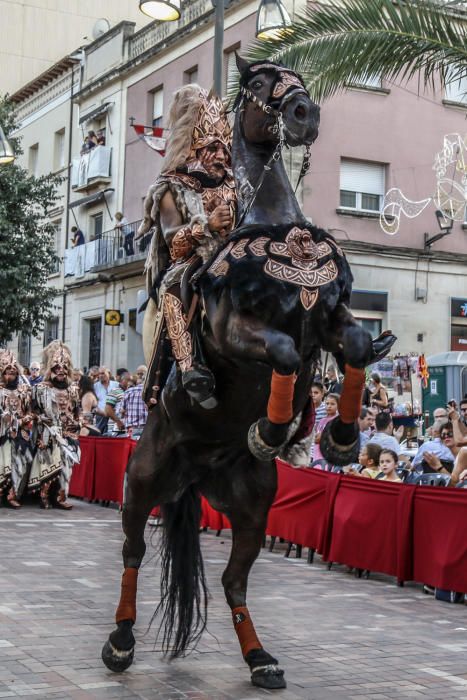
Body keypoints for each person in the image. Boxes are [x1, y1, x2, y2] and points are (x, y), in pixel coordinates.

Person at [138, 84, 236, 409]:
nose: (222, 154)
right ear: (195, 147)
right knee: (175, 282)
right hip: (191, 259)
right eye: (213, 147)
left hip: (235, 254)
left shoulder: (237, 186)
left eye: (225, 147)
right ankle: (189, 365)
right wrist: (206, 226)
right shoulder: (171, 187)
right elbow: (172, 240)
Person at [29, 341, 81, 509]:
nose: (61, 371)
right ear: (50, 370)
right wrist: (41, 420)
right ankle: (44, 496)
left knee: (67, 468)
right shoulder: (40, 388)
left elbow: (76, 412)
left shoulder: (73, 389)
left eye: (64, 368)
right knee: (48, 464)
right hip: (47, 433)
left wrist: (77, 423)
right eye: (56, 368)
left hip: (67, 435)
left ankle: (60, 497)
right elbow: (32, 411)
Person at [0, 350, 34, 508]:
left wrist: (23, 421)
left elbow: (31, 412)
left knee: (21, 464)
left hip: (21, 434)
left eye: (14, 371)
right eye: (8, 371)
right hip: (3, 434)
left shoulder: (24, 391)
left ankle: (13, 494)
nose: (11, 373)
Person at [313, 393, 339, 463]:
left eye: (332, 404)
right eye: (327, 404)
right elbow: (316, 436)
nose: (329, 406)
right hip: (317, 453)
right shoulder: (322, 421)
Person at [94, 367, 118, 435]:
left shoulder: (116, 385)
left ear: (109, 374)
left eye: (103, 373)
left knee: (113, 435)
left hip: (113, 414)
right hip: (100, 415)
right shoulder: (95, 386)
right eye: (99, 374)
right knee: (99, 434)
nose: (101, 375)